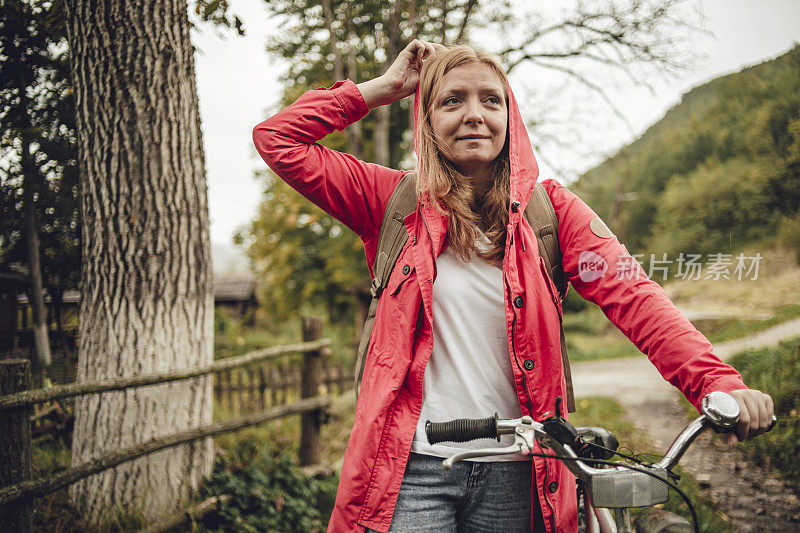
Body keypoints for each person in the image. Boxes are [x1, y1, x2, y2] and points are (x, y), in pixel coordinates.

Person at [253, 40, 774, 533]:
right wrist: (386, 87)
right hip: (410, 471)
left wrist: (716, 383)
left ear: (510, 116)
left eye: (491, 100)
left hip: (519, 470)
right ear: (427, 120)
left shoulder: (554, 213)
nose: (473, 114)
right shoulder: (390, 200)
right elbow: (277, 138)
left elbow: (635, 296)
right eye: (451, 100)